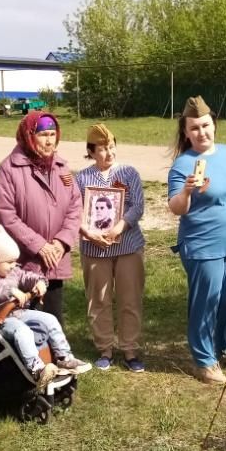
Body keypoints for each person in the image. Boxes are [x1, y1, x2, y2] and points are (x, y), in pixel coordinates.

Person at [167, 96, 226, 385]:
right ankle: (205, 361)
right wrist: (188, 192)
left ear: (214, 125)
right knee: (206, 302)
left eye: (205, 125)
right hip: (202, 246)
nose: (201, 132)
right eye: (194, 128)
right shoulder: (184, 164)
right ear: (186, 132)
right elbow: (176, 208)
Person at [0, 111, 81, 326]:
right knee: (26, 318)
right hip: (24, 261)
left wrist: (61, 242)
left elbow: (75, 205)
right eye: (43, 135)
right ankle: (32, 359)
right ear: (29, 135)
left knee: (53, 315)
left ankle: (57, 356)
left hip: (55, 259)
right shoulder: (9, 170)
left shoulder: (61, 168)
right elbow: (5, 214)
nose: (49, 141)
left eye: (53, 134)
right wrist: (39, 246)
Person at [0, 224, 91, 382]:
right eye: (9, 262)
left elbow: (26, 276)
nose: (14, 265)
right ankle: (36, 369)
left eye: (14, 261)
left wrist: (40, 281)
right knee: (22, 332)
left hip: (18, 312)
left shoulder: (11, 270)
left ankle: (64, 357)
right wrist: (10, 291)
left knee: (50, 320)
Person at [75, 123, 146, 372]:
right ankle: (105, 347)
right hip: (95, 249)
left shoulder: (129, 172)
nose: (109, 153)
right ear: (92, 151)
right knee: (99, 299)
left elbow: (137, 206)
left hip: (127, 246)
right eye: (103, 149)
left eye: (112, 147)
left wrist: (120, 227)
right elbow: (74, 212)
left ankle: (129, 349)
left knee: (130, 299)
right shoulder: (82, 178)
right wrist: (87, 232)